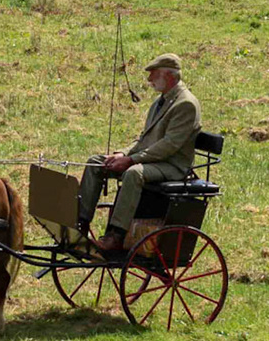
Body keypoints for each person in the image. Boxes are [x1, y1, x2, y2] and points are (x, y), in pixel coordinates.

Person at [77, 52, 200, 254]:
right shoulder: (159, 102)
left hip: (172, 166)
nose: (149, 79)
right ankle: (80, 223)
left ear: (169, 76)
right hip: (153, 160)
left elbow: (169, 146)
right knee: (97, 162)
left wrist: (131, 160)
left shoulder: (185, 104)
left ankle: (116, 236)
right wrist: (121, 154)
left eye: (153, 74)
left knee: (134, 174)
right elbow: (144, 139)